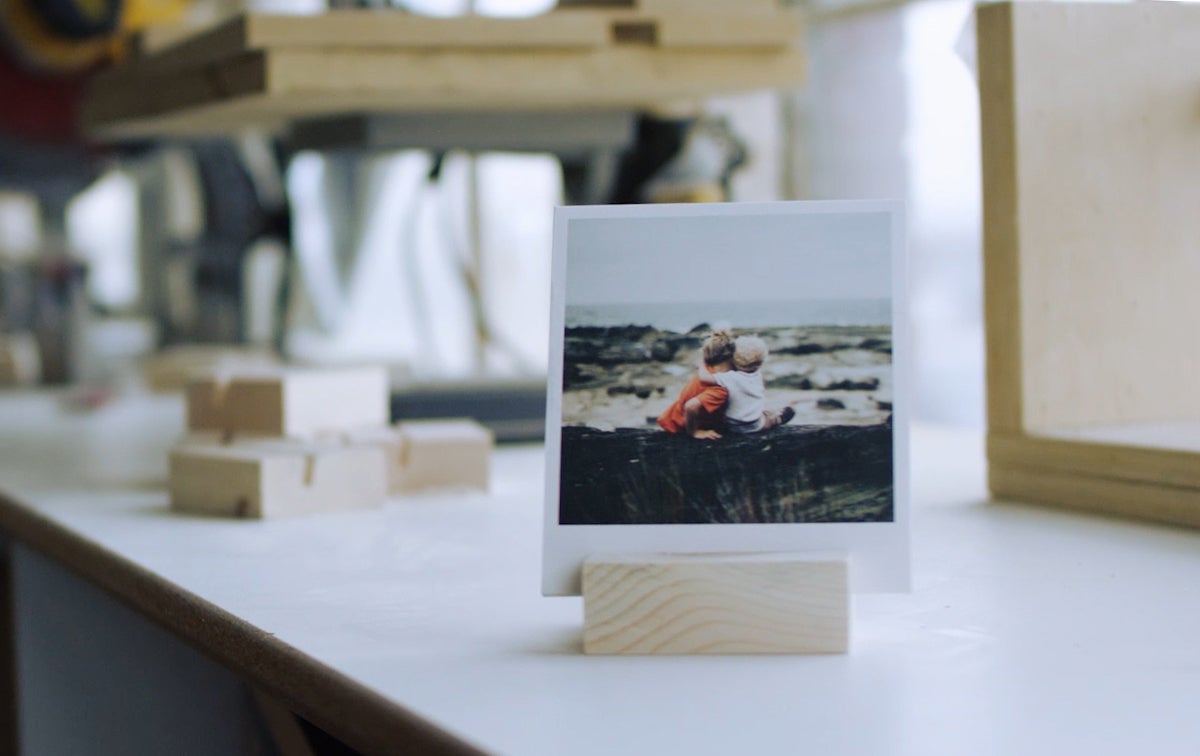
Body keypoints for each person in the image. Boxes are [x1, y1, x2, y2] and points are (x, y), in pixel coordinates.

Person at [697, 335, 795, 434]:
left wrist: (702, 363)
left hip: (731, 424)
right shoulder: (758, 375)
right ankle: (777, 419)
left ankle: (773, 416)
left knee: (762, 412)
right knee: (767, 418)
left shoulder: (730, 377)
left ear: (733, 358)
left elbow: (703, 378)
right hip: (752, 423)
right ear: (761, 362)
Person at [658, 330, 736, 440]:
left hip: (673, 416)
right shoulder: (719, 388)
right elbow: (691, 406)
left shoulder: (706, 369)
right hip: (683, 425)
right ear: (731, 358)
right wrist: (694, 432)